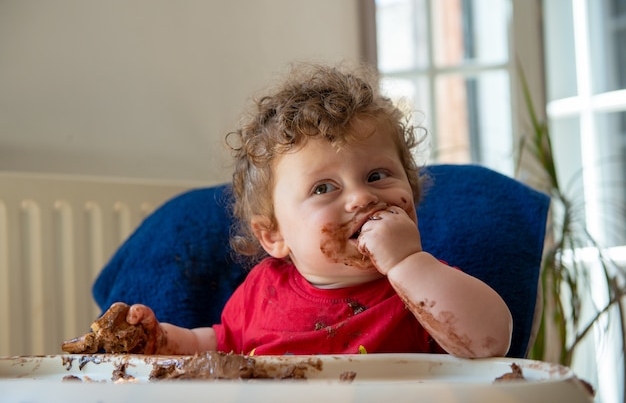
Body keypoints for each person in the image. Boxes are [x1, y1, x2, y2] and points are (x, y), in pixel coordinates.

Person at [122, 62, 513, 358]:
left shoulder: (423, 285)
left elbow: (489, 342)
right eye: (324, 188)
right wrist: (168, 341)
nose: (362, 198)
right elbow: (222, 344)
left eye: (378, 175)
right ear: (273, 235)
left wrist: (407, 263)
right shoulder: (263, 290)